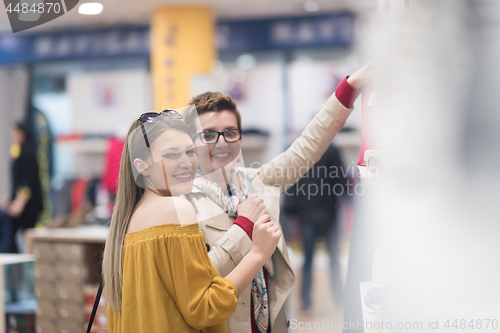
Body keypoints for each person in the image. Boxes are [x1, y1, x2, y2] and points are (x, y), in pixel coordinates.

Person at [185, 63, 371, 333]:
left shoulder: (254, 182)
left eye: (230, 132)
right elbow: (198, 283)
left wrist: (349, 88)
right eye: (209, 135)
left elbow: (308, 146)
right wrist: (244, 227)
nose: (222, 143)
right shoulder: (184, 205)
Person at [102, 110, 282, 333]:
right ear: (142, 166)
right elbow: (204, 308)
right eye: (170, 155)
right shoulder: (176, 209)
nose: (187, 163)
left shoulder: (129, 218)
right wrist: (257, 254)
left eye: (190, 151)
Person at [283, 144, 348, 311]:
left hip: (309, 214)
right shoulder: (331, 149)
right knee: (332, 259)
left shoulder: (302, 149)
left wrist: (291, 209)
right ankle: (339, 299)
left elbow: (293, 181)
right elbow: (341, 180)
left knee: (308, 259)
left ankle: (305, 301)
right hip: (326, 213)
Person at [4, 122, 43, 253]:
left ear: (22, 133)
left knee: (23, 236)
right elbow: (18, 179)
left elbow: (27, 181)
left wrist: (19, 202)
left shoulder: (26, 152)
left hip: (28, 205)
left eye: (14, 133)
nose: (12, 137)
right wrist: (11, 197)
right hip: (24, 201)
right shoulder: (20, 150)